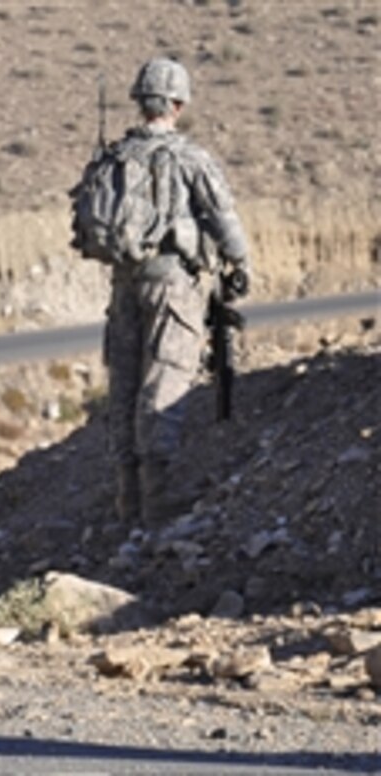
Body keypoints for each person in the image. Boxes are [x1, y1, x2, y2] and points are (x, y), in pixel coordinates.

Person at [88, 58, 251, 525]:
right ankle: (157, 502)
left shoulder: (114, 157)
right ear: (177, 104)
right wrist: (241, 263)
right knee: (165, 379)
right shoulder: (187, 157)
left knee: (124, 384)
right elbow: (222, 217)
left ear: (141, 102)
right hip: (172, 283)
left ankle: (126, 499)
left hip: (123, 284)